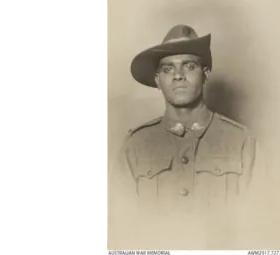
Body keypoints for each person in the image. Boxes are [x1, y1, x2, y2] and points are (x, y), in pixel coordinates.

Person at [110, 24, 268, 249]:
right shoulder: (134, 147)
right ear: (157, 80)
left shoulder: (242, 143)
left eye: (189, 66)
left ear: (205, 75)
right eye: (167, 69)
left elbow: (261, 229)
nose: (178, 76)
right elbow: (121, 232)